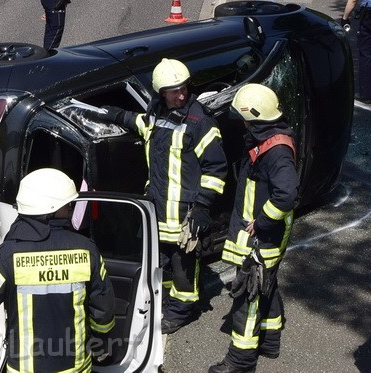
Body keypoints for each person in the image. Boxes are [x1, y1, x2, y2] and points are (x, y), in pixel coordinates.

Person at [96, 58, 227, 333]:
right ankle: (169, 300)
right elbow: (143, 124)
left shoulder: (200, 122)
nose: (181, 94)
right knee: (162, 263)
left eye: (183, 88)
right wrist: (116, 115)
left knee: (183, 266)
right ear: (161, 93)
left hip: (184, 214)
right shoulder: (157, 113)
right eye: (173, 91)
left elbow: (216, 169)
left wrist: (203, 207)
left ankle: (182, 311)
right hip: (157, 210)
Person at [0, 168, 116, 373]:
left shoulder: (7, 256)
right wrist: (101, 341)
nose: (71, 209)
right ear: (52, 209)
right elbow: (103, 309)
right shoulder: (86, 249)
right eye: (68, 205)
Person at [209, 84, 299, 373]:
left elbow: (286, 194)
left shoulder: (276, 151)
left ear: (254, 118)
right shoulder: (271, 138)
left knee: (248, 293)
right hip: (264, 234)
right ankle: (270, 342)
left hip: (263, 236)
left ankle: (240, 360)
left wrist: (261, 222)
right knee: (266, 285)